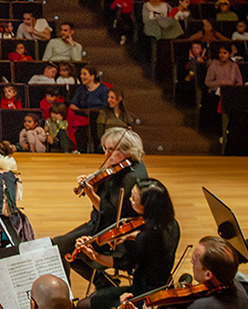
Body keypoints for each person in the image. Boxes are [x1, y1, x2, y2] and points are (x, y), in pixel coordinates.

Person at [53, 128, 147, 284]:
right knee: (63, 247)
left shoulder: (130, 177)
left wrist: (90, 193)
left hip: (109, 232)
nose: (106, 154)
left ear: (128, 151)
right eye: (105, 149)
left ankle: (101, 284)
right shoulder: (124, 166)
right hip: (99, 223)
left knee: (58, 247)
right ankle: (103, 283)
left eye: (111, 150)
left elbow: (107, 212)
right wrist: (95, 187)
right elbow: (108, 195)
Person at [75, 179, 179, 309]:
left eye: (134, 198)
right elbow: (154, 243)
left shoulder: (146, 238)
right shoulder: (172, 224)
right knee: (94, 297)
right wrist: (130, 235)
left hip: (143, 293)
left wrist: (94, 255)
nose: (130, 200)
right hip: (162, 285)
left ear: (146, 206)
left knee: (83, 305)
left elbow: (123, 263)